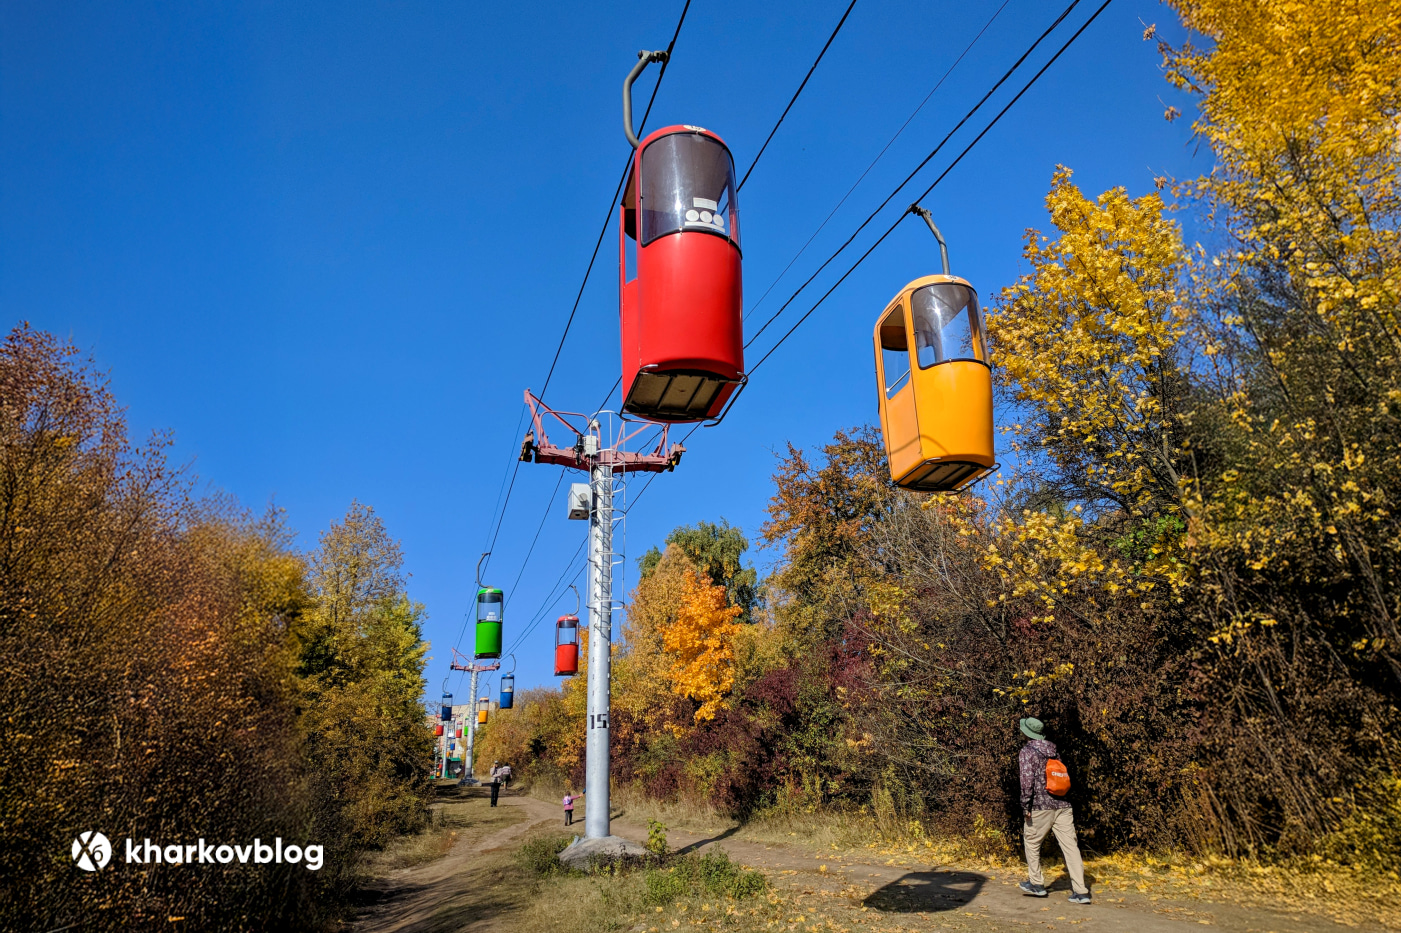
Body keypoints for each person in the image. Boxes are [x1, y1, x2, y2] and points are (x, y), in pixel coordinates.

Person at [1017, 717, 1091, 905]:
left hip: (1040, 806)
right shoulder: (1053, 749)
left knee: (1032, 841)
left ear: (1027, 733)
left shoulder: (1027, 752)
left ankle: (1036, 884)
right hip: (1063, 805)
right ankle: (1081, 891)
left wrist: (1026, 806)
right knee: (1070, 847)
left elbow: (1027, 782)